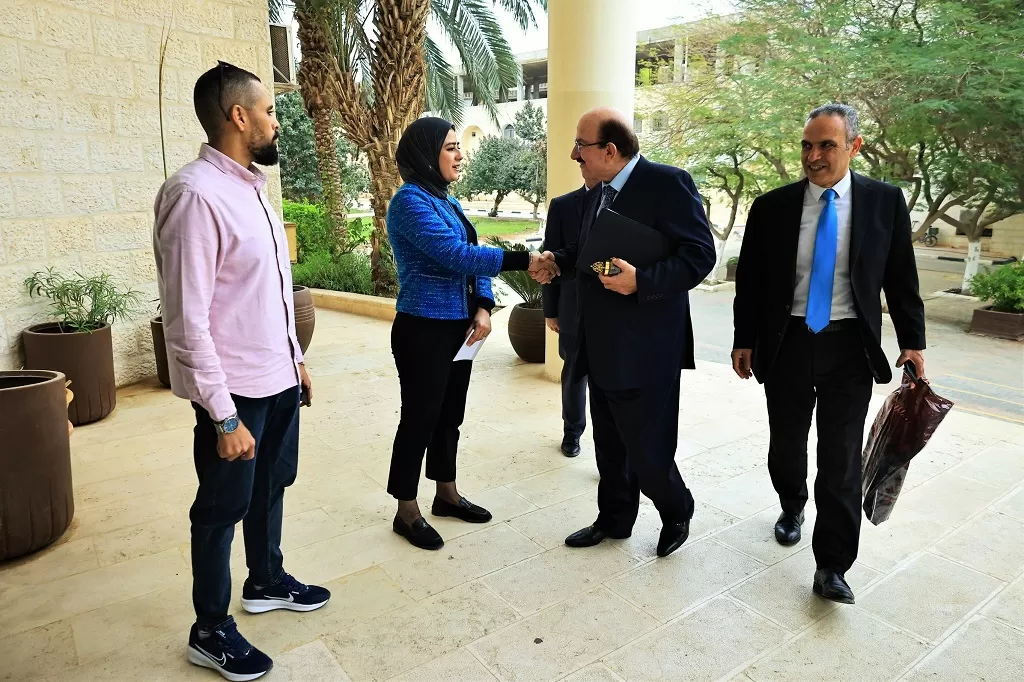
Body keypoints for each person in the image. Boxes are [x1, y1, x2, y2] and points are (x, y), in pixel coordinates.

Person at [153, 61, 330, 682]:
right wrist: (223, 415)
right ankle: (209, 630)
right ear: (238, 116)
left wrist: (295, 359)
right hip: (233, 390)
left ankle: (267, 579)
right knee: (221, 506)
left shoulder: (251, 187)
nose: (276, 122)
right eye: (269, 111)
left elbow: (268, 292)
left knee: (273, 483)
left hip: (276, 375)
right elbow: (187, 319)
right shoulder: (195, 195)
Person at [731, 103, 926, 605]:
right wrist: (744, 339)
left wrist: (913, 342)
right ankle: (791, 503)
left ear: (854, 146)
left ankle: (832, 565)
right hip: (788, 342)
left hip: (849, 346)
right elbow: (750, 283)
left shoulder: (884, 202)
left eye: (826, 145)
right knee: (787, 443)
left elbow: (901, 278)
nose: (813, 156)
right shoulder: (772, 207)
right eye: (807, 145)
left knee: (840, 458)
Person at [542, 107, 716, 558]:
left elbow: (700, 255)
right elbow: (588, 253)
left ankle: (676, 508)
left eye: (581, 145)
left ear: (609, 150)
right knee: (609, 444)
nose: (574, 154)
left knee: (647, 446)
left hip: (646, 346)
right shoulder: (595, 192)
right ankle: (615, 520)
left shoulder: (668, 183)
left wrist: (644, 281)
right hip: (598, 341)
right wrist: (558, 261)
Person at [386, 116, 558, 551]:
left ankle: (446, 494)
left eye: (457, 146)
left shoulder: (446, 200)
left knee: (450, 416)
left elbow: (473, 254)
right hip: (423, 329)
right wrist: (525, 260)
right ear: (426, 155)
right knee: (420, 419)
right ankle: (406, 511)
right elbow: (454, 254)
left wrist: (482, 306)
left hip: (460, 328)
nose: (460, 155)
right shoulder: (409, 202)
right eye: (449, 147)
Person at [542, 166, 598, 457]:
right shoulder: (562, 205)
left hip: (613, 311)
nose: (581, 160)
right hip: (571, 307)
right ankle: (572, 432)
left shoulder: (624, 201)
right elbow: (550, 257)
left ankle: (611, 445)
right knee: (574, 374)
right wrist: (550, 310)